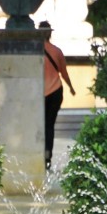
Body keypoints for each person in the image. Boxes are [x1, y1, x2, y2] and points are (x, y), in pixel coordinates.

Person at [39, 22, 75, 169]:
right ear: (50, 33)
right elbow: (64, 73)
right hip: (55, 92)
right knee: (50, 124)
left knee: (40, 125)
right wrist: (71, 87)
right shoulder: (57, 51)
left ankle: (39, 153)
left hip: (40, 94)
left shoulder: (34, 52)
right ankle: (48, 155)